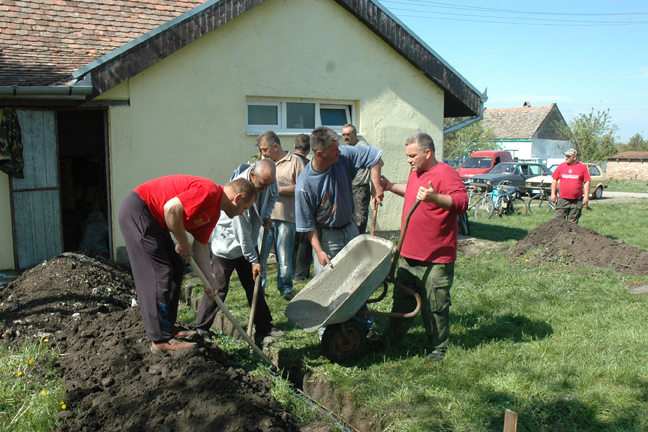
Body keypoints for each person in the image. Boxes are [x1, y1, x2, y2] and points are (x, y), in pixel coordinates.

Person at [118, 175, 256, 355]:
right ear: (237, 198)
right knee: (159, 274)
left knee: (176, 266)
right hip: (139, 210)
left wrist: (210, 277)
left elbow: (200, 246)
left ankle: (167, 325)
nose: (242, 213)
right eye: (245, 208)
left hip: (155, 221)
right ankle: (160, 338)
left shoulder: (214, 212)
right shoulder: (209, 192)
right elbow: (171, 208)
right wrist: (182, 241)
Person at [380, 132, 468, 361]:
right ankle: (391, 340)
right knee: (402, 300)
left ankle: (438, 348)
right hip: (409, 253)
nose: (408, 160)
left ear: (427, 152)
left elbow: (461, 202)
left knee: (435, 304)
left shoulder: (446, 173)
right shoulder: (415, 173)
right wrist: (390, 186)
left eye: (412, 155)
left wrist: (435, 198)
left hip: (435, 256)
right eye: (407, 155)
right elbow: (412, 193)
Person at [295, 126, 384, 333]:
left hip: (350, 228)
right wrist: (319, 251)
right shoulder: (305, 185)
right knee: (327, 283)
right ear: (320, 153)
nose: (339, 152)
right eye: (334, 150)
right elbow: (308, 226)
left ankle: (364, 324)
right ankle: (325, 332)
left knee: (358, 277)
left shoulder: (342, 157)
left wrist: (376, 185)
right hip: (326, 236)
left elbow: (375, 156)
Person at [193, 159, 285, 339]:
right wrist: (253, 260)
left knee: (254, 285)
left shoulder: (267, 180)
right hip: (228, 244)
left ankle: (264, 326)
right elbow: (240, 233)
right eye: (263, 184)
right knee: (218, 286)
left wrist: (266, 215)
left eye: (269, 183)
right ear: (252, 176)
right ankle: (201, 328)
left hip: (249, 241)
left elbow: (273, 195)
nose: (266, 187)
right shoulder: (240, 191)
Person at [257, 131, 306, 300]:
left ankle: (285, 287)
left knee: (284, 256)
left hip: (287, 217)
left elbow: (302, 187)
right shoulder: (263, 163)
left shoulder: (296, 161)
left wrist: (277, 190)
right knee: (261, 255)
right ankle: (258, 288)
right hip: (265, 217)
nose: (263, 153)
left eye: (265, 149)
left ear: (275, 146)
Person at [341, 124, 372, 234]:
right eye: (343, 135)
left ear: (355, 134)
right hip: (348, 187)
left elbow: (378, 162)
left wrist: (376, 186)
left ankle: (359, 243)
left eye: (348, 134)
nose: (345, 137)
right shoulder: (346, 148)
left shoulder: (362, 146)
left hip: (360, 187)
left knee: (359, 219)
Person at [292, 134, 313, 281]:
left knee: (292, 242)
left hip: (287, 209)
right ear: (309, 148)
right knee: (305, 241)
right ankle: (301, 274)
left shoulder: (284, 162)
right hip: (304, 207)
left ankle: (292, 271)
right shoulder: (308, 164)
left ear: (295, 147)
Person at [551, 148, 591, 224]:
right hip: (563, 199)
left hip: (576, 200)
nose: (566, 158)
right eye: (566, 156)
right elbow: (554, 180)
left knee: (573, 223)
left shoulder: (582, 167)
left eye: (569, 156)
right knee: (559, 221)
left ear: (575, 157)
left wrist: (586, 197)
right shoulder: (561, 166)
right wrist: (553, 194)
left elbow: (587, 182)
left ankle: (571, 235)